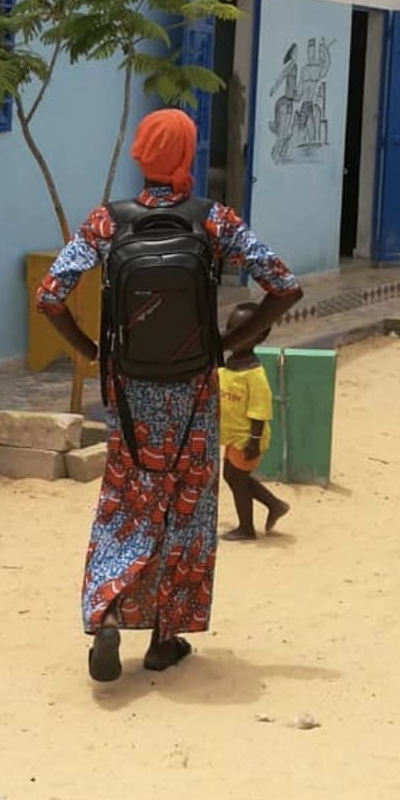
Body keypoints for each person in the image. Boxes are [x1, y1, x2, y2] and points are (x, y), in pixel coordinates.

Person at [37, 108, 302, 682]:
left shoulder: (108, 221)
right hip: (194, 389)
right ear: (187, 154)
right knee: (187, 506)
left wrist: (91, 352)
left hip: (129, 390)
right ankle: (164, 638)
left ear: (140, 153)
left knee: (125, 502)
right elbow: (284, 285)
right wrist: (226, 341)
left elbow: (50, 295)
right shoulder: (214, 220)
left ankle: (107, 614)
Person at [218, 302, 290, 541]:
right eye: (229, 329)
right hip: (233, 436)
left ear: (259, 336)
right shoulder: (229, 364)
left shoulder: (253, 373)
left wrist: (254, 441)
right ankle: (275, 504)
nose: (232, 336)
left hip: (248, 438)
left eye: (241, 332)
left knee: (236, 480)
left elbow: (260, 410)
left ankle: (246, 528)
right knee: (234, 477)